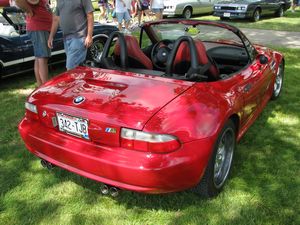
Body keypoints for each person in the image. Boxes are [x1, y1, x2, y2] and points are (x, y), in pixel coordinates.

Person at [47, 0, 94, 70]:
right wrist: (51, 36)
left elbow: (90, 15)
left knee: (71, 68)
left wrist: (89, 36)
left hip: (79, 37)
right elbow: (56, 19)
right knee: (77, 70)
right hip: (66, 39)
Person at [15, 0, 52, 87]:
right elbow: (18, 1)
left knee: (39, 58)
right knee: (42, 58)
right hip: (39, 28)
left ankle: (40, 86)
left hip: (39, 28)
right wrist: (29, 11)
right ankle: (45, 87)